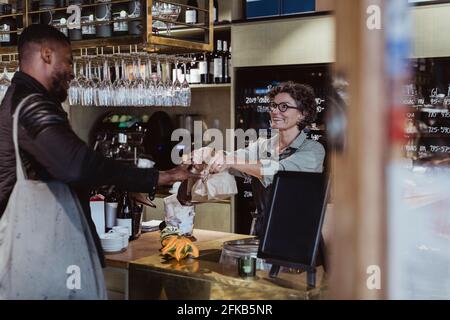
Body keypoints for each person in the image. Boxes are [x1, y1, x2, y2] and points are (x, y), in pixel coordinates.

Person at [0, 24, 198, 266]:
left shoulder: (20, 99)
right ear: (47, 54)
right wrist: (159, 177)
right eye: (69, 61)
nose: (72, 72)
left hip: (36, 247)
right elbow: (77, 165)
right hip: (41, 254)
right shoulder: (31, 105)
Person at [195, 81, 326, 237]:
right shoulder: (262, 146)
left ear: (302, 114)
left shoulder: (313, 150)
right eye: (273, 105)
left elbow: (276, 170)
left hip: (297, 233)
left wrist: (230, 160)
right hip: (261, 230)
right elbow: (235, 158)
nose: (275, 111)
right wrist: (211, 155)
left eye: (283, 106)